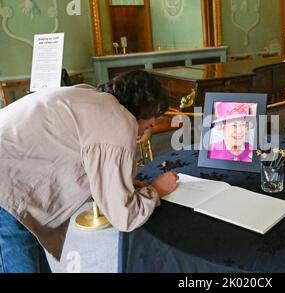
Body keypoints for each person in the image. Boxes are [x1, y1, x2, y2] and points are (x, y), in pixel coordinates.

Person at [0, 70, 179, 273]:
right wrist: (156, 190)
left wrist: (119, 185)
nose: (153, 124)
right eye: (153, 115)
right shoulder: (118, 120)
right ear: (141, 107)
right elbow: (124, 217)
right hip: (5, 196)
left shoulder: (90, 96)